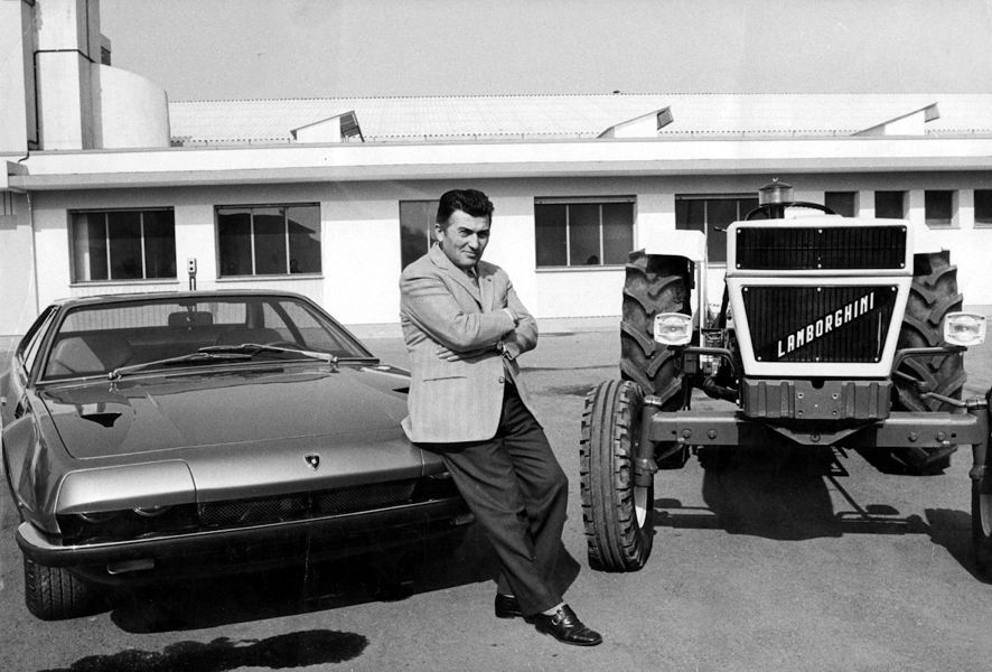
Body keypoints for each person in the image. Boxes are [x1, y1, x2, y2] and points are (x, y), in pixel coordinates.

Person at [399, 188, 602, 647]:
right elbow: (461, 331)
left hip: (508, 399)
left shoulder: (495, 274)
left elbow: (530, 328)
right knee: (507, 509)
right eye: (464, 232)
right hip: (457, 412)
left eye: (483, 233)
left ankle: (513, 590)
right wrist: (506, 318)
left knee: (551, 485)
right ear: (439, 231)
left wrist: (503, 332)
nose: (475, 243)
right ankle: (547, 604)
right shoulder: (418, 277)